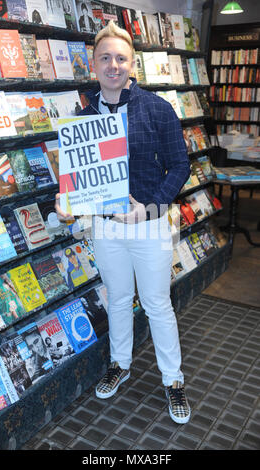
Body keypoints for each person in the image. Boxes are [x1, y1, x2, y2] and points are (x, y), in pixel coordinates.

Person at [55, 20, 191, 424]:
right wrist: (66, 204)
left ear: (132, 64)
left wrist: (149, 207)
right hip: (105, 227)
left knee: (156, 304)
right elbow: (74, 180)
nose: (113, 65)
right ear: (93, 64)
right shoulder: (81, 117)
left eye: (121, 58)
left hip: (149, 225)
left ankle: (173, 381)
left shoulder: (157, 109)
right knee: (116, 299)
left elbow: (180, 167)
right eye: (105, 58)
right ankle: (120, 364)